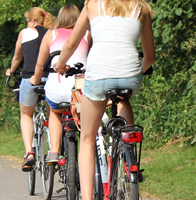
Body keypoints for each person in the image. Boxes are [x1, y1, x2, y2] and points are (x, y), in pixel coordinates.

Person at [53, 0, 156, 198]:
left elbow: (72, 43)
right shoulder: (141, 9)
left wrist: (61, 64)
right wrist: (134, 73)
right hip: (130, 76)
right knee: (123, 99)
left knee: (87, 138)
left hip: (98, 76)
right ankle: (128, 155)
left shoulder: (92, 5)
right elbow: (150, 57)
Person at [29, 4, 91, 164]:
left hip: (58, 89)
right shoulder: (86, 35)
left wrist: (35, 80)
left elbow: (40, 64)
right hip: (80, 90)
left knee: (55, 111)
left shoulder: (51, 34)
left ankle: (54, 151)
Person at [6, 7, 54, 172]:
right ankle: (53, 150)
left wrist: (11, 71)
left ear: (33, 21)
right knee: (53, 114)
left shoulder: (24, 33)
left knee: (26, 114)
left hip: (29, 79)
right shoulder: (52, 32)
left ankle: (29, 153)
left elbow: (17, 57)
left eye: (28, 21)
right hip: (51, 78)